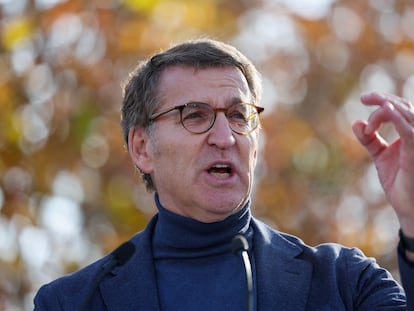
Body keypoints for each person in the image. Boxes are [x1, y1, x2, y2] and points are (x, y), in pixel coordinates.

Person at [34, 38, 414, 310]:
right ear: (142, 148)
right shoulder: (73, 301)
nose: (225, 137)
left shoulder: (343, 281)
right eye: (194, 115)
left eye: (238, 115)